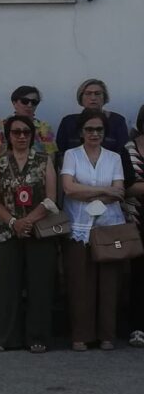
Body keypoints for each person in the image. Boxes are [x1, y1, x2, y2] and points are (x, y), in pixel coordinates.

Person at [0, 116, 58, 353]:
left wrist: (27, 221)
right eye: (16, 132)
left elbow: (51, 198)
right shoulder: (0, 163)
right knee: (8, 286)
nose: (21, 136)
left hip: (39, 228)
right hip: (7, 232)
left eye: (26, 132)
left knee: (40, 285)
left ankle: (37, 336)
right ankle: (7, 337)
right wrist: (14, 222)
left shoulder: (44, 160)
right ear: (8, 135)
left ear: (32, 135)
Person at [61, 110, 126, 351]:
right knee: (80, 284)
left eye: (99, 129)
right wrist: (105, 191)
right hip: (79, 227)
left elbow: (118, 192)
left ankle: (106, 335)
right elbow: (69, 189)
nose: (94, 134)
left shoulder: (114, 158)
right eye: (89, 129)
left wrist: (88, 192)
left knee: (109, 284)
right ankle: (81, 335)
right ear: (81, 132)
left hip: (109, 226)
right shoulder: (71, 155)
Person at [120, 104, 144, 348]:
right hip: (136, 219)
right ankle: (138, 327)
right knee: (139, 275)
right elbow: (127, 185)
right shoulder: (128, 150)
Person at [55, 79, 130, 156]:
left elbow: (123, 152)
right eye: (88, 93)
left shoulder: (117, 121)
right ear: (81, 97)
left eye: (97, 94)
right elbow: (61, 152)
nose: (93, 98)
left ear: (104, 97)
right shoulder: (68, 122)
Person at [6, 86, 57, 157]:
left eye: (34, 102)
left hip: (39, 166)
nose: (29, 105)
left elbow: (51, 156)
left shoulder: (45, 127)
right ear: (14, 103)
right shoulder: (2, 125)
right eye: (25, 101)